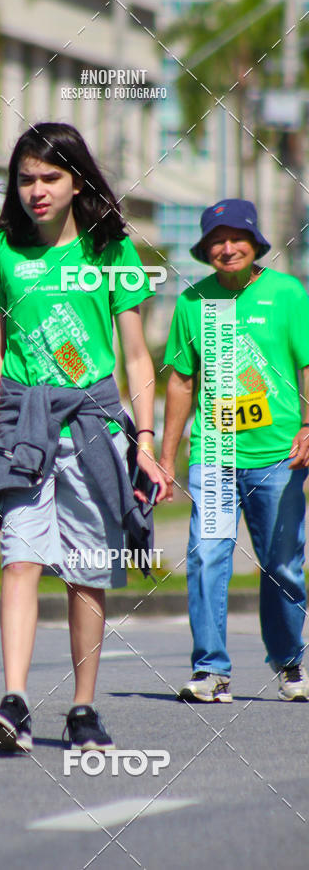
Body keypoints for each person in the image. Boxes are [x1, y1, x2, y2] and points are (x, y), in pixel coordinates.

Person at [0, 122, 167, 753]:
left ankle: (83, 709)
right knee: (19, 558)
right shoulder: (0, 251)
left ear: (76, 180)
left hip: (96, 420)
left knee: (87, 570)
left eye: (50, 177)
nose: (36, 190)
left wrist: (147, 440)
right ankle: (14, 702)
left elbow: (136, 356)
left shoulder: (113, 248)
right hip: (23, 421)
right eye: (25, 179)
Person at [161, 198, 309, 703]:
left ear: (256, 242)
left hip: (279, 455)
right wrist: (167, 455)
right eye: (216, 240)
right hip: (216, 450)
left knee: (283, 563)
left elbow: (307, 365)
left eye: (236, 237)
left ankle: (290, 662)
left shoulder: (287, 294)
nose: (227, 247)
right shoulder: (192, 302)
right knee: (206, 556)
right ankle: (211, 670)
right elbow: (181, 383)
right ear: (205, 249)